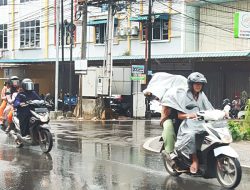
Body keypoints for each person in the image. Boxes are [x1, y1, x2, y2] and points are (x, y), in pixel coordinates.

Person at [174, 72, 214, 174]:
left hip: (201, 123)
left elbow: (209, 108)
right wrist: (189, 115)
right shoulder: (184, 95)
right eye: (196, 84)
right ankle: (194, 160)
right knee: (192, 135)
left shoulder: (202, 95)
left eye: (200, 84)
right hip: (188, 125)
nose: (198, 86)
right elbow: (179, 115)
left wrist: (220, 113)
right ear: (191, 85)